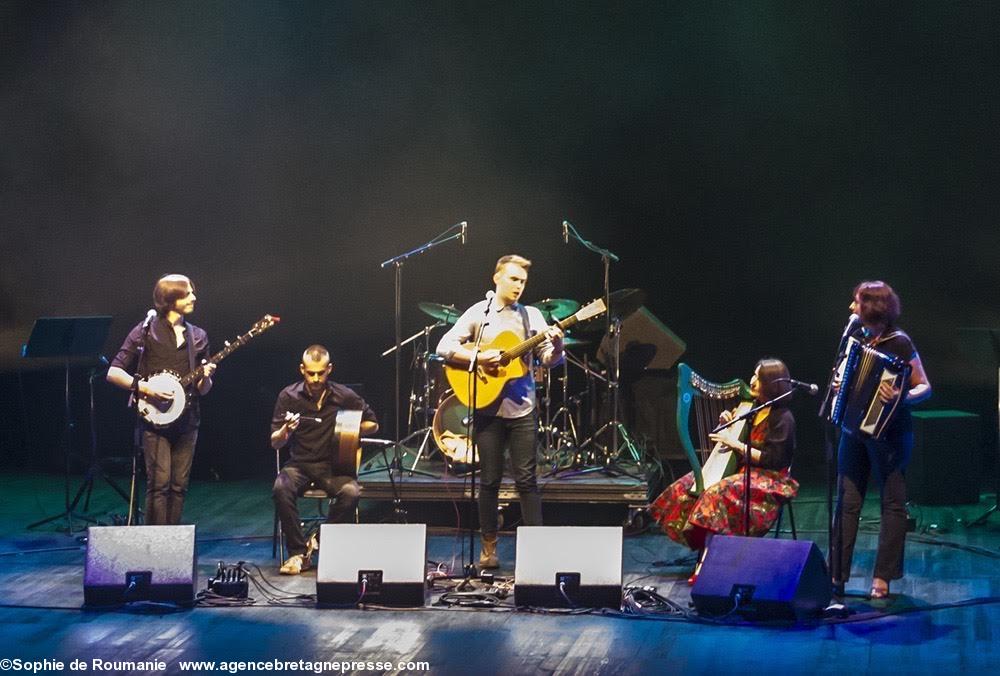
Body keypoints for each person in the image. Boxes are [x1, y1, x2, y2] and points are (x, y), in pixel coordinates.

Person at [436, 254, 564, 569]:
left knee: (526, 480)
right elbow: (443, 346)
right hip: (487, 408)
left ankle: (537, 548)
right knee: (489, 480)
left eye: (523, 281)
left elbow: (549, 359)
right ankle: (488, 548)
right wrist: (480, 359)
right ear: (497, 278)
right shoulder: (478, 313)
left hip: (522, 410)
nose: (519, 286)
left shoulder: (531, 316)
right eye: (513, 279)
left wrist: (558, 346)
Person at [649, 358, 798, 581]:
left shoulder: (782, 418)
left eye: (758, 377)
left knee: (714, 494)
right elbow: (729, 438)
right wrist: (726, 422)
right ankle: (706, 549)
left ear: (770, 383)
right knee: (689, 485)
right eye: (754, 375)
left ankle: (708, 560)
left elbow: (773, 460)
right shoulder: (753, 408)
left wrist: (735, 443)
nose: (752, 380)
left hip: (769, 477)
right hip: (743, 469)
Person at [831, 281, 931, 600]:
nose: (851, 307)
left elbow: (924, 387)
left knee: (892, 504)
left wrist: (902, 396)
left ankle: (883, 577)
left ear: (871, 307)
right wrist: (838, 385)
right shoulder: (856, 339)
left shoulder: (900, 343)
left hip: (890, 434)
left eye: (856, 302)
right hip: (854, 431)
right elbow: (845, 378)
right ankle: (837, 575)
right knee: (847, 502)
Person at [107, 274, 215, 525]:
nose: (194, 298)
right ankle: (155, 545)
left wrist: (206, 377)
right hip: (154, 421)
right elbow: (114, 372)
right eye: (188, 294)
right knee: (159, 483)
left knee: (179, 485)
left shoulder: (198, 336)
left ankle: (174, 543)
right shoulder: (145, 332)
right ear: (170, 300)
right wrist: (146, 389)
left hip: (188, 420)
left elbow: (204, 389)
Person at [271, 345, 378, 575]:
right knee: (281, 487)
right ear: (302, 369)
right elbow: (275, 442)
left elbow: (373, 423)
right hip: (299, 464)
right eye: (311, 373)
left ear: (330, 369)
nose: (316, 378)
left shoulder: (344, 395)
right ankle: (298, 553)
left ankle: (321, 538)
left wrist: (350, 428)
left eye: (321, 373)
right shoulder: (288, 396)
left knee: (351, 492)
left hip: (333, 467)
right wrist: (285, 432)